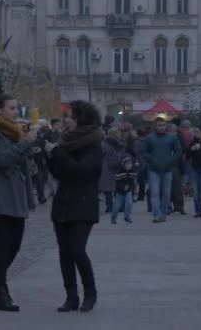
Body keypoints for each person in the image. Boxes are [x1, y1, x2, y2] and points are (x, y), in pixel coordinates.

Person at [0, 94, 37, 312]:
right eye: (12, 108)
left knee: (15, 245)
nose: (16, 112)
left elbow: (24, 163)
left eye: (17, 108)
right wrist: (24, 143)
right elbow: (1, 160)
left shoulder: (14, 132)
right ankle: (0, 291)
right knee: (4, 244)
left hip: (16, 193)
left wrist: (29, 142)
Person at [46, 100, 104, 313]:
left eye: (69, 116)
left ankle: (90, 293)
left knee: (77, 250)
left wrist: (58, 154)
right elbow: (61, 174)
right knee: (64, 254)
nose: (65, 121)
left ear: (81, 119)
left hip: (83, 205)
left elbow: (82, 172)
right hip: (62, 204)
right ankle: (71, 296)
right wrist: (50, 157)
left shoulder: (94, 145)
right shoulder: (64, 143)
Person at [141, 117, 183, 223]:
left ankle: (163, 213)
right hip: (153, 170)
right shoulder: (149, 138)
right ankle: (157, 213)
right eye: (159, 125)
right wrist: (151, 159)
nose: (162, 127)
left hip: (167, 169)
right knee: (155, 192)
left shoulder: (171, 138)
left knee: (166, 193)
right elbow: (143, 151)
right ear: (155, 126)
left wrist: (171, 160)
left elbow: (179, 150)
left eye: (163, 125)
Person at [99, 128, 125, 213]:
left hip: (106, 167)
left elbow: (100, 154)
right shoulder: (121, 144)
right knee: (119, 188)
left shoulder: (104, 143)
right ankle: (121, 207)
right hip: (119, 166)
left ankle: (110, 207)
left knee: (108, 189)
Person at [167, 124, 187, 215]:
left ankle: (179, 207)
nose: (175, 132)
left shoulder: (178, 140)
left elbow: (183, 152)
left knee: (178, 188)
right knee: (167, 188)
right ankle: (168, 206)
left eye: (176, 131)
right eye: (173, 131)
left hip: (176, 166)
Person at [111, 157, 138, 224]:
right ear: (124, 164)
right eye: (127, 164)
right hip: (119, 191)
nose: (129, 165)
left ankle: (127, 216)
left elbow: (133, 182)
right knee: (117, 206)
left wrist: (133, 191)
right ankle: (113, 217)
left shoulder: (133, 172)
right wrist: (123, 187)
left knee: (129, 203)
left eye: (130, 164)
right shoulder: (119, 172)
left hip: (128, 190)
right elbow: (117, 182)